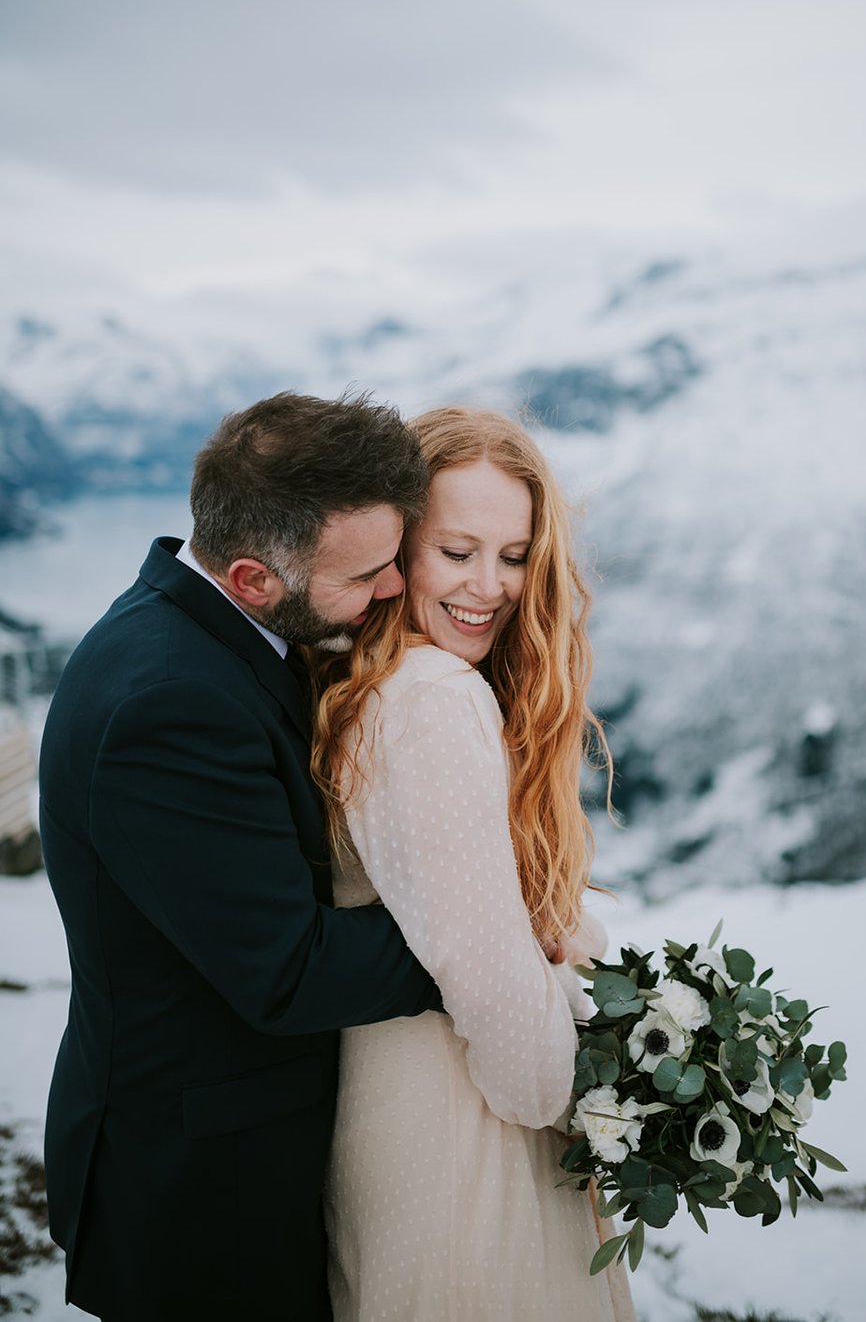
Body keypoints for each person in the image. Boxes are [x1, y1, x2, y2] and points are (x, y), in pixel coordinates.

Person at [38, 392, 444, 1322]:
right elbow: (288, 973)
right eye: (371, 572)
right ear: (256, 576)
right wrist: (487, 938)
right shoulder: (168, 707)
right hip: (200, 1187)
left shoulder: (207, 631)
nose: (392, 589)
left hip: (220, 1145)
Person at [310, 407, 636, 1321]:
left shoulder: (381, 686)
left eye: (514, 554)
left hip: (410, 1118)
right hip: (466, 1140)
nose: (488, 586)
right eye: (456, 551)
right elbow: (501, 1008)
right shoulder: (431, 700)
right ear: (396, 549)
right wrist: (610, 1095)